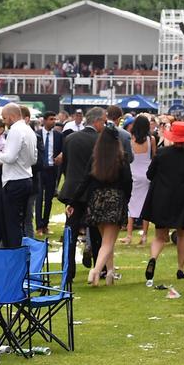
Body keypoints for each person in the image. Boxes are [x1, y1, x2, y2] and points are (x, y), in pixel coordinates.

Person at [141, 121, 184, 283]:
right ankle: (181, 269)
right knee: (183, 235)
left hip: (161, 198)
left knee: (160, 236)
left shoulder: (161, 154)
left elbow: (149, 174)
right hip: (183, 201)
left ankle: (153, 258)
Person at [70, 127, 131, 286]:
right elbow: (128, 182)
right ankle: (96, 271)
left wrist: (73, 202)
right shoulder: (122, 158)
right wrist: (127, 199)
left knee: (106, 240)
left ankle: (110, 274)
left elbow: (84, 181)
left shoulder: (95, 158)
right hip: (115, 200)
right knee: (108, 243)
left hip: (96, 201)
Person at [57, 107, 105, 281]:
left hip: (73, 191)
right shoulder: (100, 141)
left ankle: (68, 271)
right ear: (97, 121)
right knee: (97, 232)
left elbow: (66, 166)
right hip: (93, 192)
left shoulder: (70, 138)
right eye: (104, 121)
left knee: (71, 231)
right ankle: (100, 268)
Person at [0, 104, 36, 247]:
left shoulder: (15, 130)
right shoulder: (29, 130)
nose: (4, 122)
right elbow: (34, 159)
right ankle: (18, 256)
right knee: (19, 223)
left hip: (14, 181)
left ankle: (14, 258)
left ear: (12, 116)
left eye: (4, 118)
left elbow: (10, 158)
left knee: (11, 225)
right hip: (26, 178)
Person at [122, 116, 155, 245]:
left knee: (131, 205)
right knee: (145, 205)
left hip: (133, 173)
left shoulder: (131, 139)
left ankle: (129, 235)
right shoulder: (151, 139)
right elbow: (153, 157)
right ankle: (145, 235)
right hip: (146, 174)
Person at [36, 112, 63, 235]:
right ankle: (38, 226)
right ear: (45, 120)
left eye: (54, 119)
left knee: (49, 199)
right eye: (51, 119)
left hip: (52, 170)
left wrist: (61, 155)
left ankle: (45, 224)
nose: (54, 121)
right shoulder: (37, 135)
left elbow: (63, 149)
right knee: (39, 197)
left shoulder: (58, 135)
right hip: (40, 170)